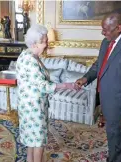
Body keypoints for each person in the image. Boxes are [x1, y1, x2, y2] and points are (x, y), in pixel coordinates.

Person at [75, 11, 121, 162]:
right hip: (108, 101)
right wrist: (86, 78)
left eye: (106, 29)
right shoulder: (106, 42)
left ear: (118, 28)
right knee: (113, 136)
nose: (102, 32)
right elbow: (99, 65)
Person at [15, 24, 77, 162]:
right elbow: (43, 86)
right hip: (33, 107)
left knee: (32, 139)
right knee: (38, 140)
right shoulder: (30, 60)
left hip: (30, 104)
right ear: (36, 43)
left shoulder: (27, 54)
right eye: (44, 41)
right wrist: (67, 85)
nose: (47, 44)